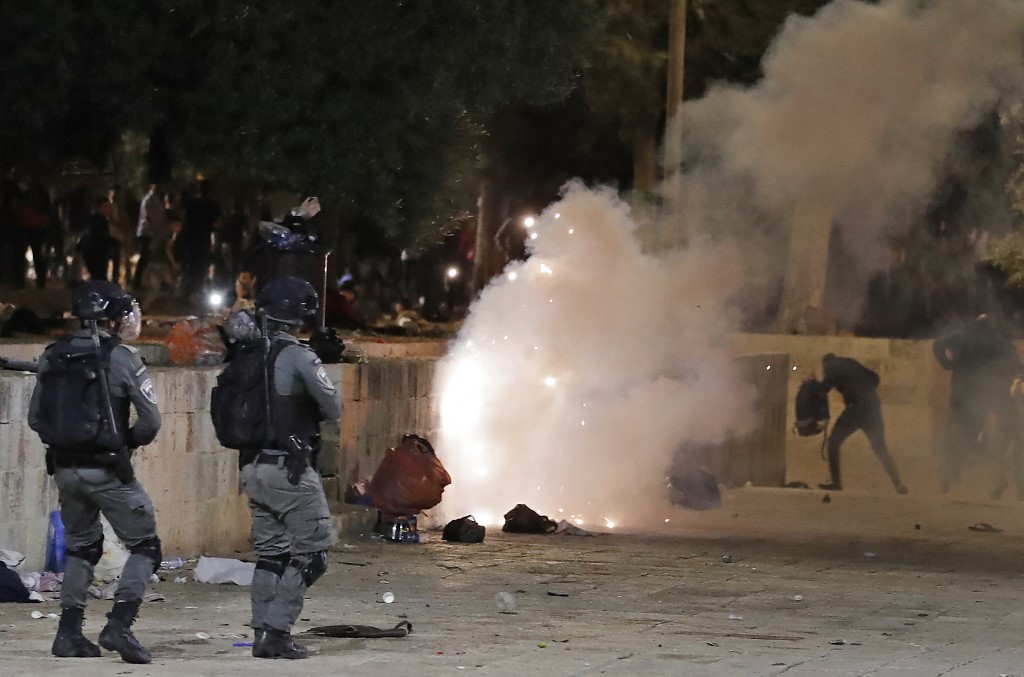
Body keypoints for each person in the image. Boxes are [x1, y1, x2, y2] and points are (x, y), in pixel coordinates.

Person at [27, 281, 162, 664]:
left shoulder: (53, 355)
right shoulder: (121, 357)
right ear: (115, 317)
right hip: (108, 470)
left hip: (65, 469)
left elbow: (35, 418)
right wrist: (126, 443)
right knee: (145, 546)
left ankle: (68, 633)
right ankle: (120, 623)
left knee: (80, 547)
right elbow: (150, 420)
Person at [238, 276, 340, 659]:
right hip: (289, 468)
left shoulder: (247, 354)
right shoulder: (298, 355)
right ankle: (278, 632)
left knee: (271, 555)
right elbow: (333, 409)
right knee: (313, 553)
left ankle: (262, 633)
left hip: (251, 467)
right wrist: (322, 360)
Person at [933, 314, 1020, 494]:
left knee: (965, 432)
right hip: (987, 394)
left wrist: (946, 363)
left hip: (962, 393)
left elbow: (937, 344)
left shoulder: (962, 337)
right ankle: (992, 475)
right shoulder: (997, 341)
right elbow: (1015, 364)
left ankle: (951, 469)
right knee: (1005, 433)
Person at [816, 353, 907, 494]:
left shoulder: (832, 367)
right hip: (872, 408)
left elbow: (824, 388)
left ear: (825, 364)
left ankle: (836, 482)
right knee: (881, 449)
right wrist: (864, 390)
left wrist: (811, 383)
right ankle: (898, 484)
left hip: (855, 410)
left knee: (833, 443)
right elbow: (875, 378)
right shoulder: (851, 363)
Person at [133, 183, 167, 291]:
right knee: (145, 257)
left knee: (151, 258)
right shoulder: (149, 199)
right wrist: (154, 229)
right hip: (147, 232)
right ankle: (137, 281)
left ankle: (153, 281)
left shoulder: (158, 199)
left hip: (153, 232)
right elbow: (147, 217)